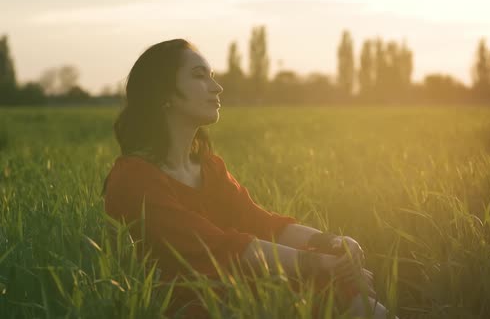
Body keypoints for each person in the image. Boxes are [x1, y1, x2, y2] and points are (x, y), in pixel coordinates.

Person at [101, 38, 388, 318]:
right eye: (200, 76)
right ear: (163, 93)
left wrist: (332, 242)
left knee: (341, 286)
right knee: (324, 284)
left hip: (238, 289)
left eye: (212, 76)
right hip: (191, 305)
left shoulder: (209, 168)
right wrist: (319, 263)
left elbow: (261, 223)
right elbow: (217, 246)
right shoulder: (133, 179)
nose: (217, 87)